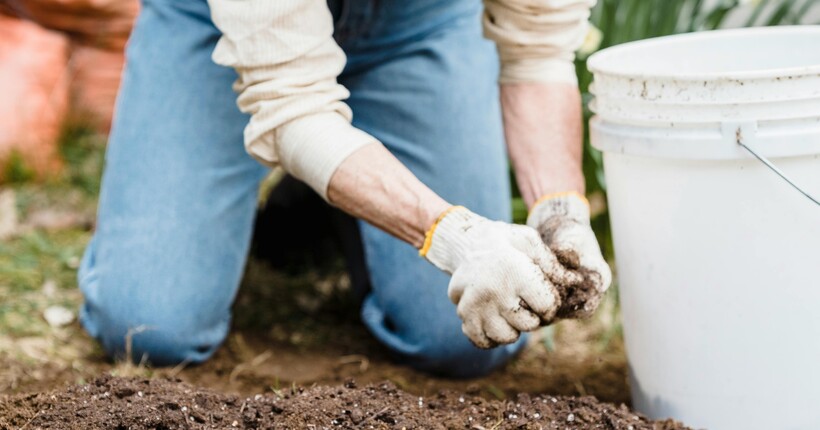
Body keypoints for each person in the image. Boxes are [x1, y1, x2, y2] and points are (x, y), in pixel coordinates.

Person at [79, 0, 611, 378]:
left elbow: (537, 51)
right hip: (227, 29)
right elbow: (294, 111)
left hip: (420, 23)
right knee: (149, 325)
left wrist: (560, 211)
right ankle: (342, 187)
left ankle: (336, 205)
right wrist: (460, 241)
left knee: (461, 342)